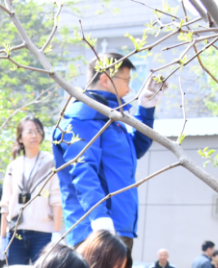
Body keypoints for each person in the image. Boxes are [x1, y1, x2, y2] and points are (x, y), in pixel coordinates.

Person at [52, 53, 165, 252]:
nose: (129, 89)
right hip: (96, 231)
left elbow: (133, 151)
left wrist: (146, 110)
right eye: (126, 81)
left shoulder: (109, 119)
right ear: (105, 79)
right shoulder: (82, 119)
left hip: (119, 226)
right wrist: (99, 219)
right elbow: (84, 172)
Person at [0, 116, 62, 264]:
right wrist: (1, 237)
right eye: (29, 131)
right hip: (15, 233)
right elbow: (5, 204)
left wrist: (56, 232)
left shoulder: (51, 162)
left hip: (43, 234)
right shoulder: (13, 166)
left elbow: (56, 200)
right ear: (20, 138)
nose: (34, 135)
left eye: (38, 131)